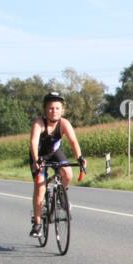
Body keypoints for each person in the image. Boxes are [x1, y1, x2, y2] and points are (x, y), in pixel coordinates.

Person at [29, 92, 85, 237]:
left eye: (57, 108)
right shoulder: (39, 123)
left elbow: (73, 141)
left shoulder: (64, 123)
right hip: (39, 156)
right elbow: (33, 142)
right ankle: (37, 224)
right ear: (45, 109)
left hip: (54, 152)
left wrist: (79, 158)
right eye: (50, 108)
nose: (54, 111)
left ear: (62, 110)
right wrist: (36, 160)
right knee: (40, 187)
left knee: (68, 174)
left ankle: (61, 195)